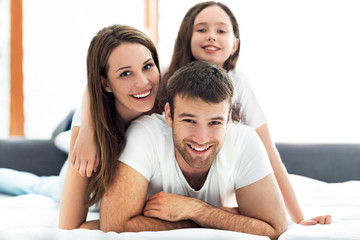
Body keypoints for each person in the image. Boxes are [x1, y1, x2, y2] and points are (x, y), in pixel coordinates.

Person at [159, 1, 332, 225]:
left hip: (217, 194)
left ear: (234, 45)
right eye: (202, 29)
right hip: (167, 191)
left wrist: (299, 218)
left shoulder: (240, 85)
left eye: (221, 31)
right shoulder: (165, 79)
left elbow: (270, 156)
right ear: (186, 38)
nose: (211, 36)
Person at [100, 61, 287, 240]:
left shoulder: (244, 141)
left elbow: (274, 229)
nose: (201, 138)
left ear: (228, 120)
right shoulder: (146, 134)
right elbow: (114, 224)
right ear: (168, 115)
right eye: (189, 121)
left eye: (215, 122)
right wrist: (221, 218)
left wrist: (196, 210)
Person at [59, 24, 161, 229]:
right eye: (125, 74)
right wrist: (88, 133)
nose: (143, 82)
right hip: (90, 184)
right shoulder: (89, 128)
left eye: (147, 66)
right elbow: (69, 227)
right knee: (41, 186)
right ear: (105, 84)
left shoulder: (168, 96)